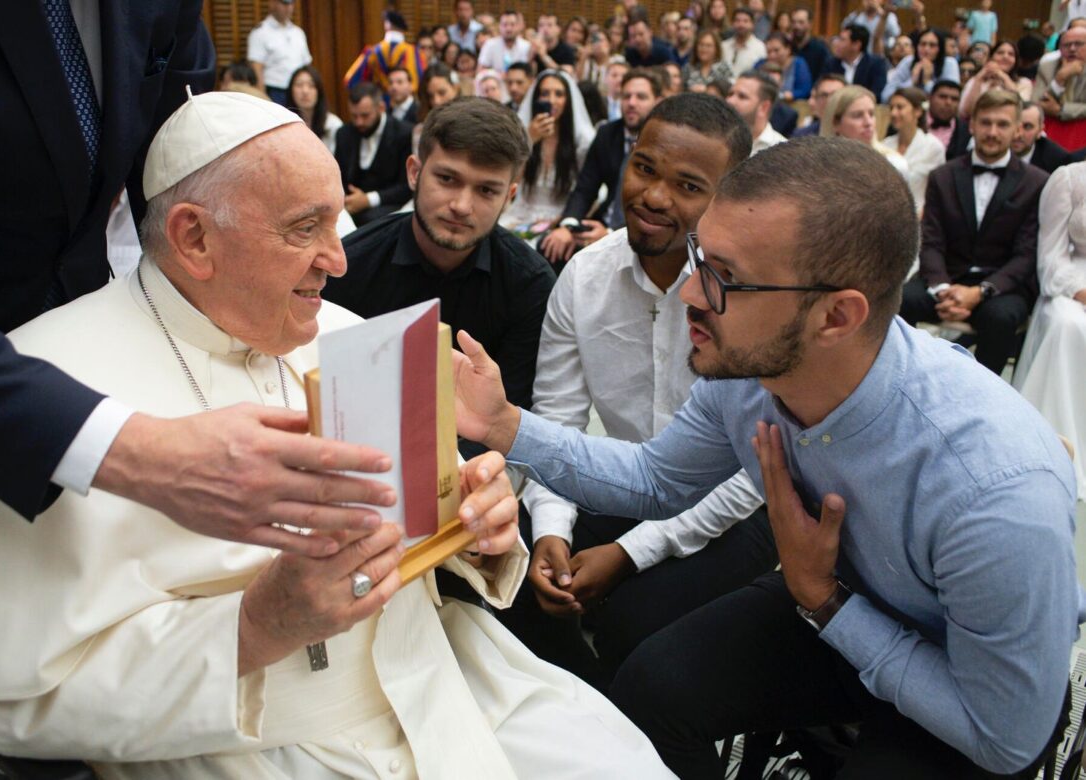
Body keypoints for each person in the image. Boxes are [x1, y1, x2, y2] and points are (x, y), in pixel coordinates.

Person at [0, 91, 673, 780]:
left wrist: (480, 532)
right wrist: (256, 626)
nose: (339, 260)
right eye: (304, 229)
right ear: (194, 237)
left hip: (446, 681)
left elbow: (435, 533)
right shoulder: (44, 396)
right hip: (244, 743)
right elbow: (12, 710)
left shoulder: (351, 335)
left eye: (336, 224)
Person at [452, 135, 1079, 780]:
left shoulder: (992, 490)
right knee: (648, 689)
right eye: (700, 258)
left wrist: (828, 603)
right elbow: (655, 479)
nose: (691, 294)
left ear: (836, 316)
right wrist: (503, 424)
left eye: (726, 278)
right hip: (841, 599)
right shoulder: (753, 375)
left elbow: (1004, 737)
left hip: (963, 679)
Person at [497, 93, 776, 691]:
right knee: (508, 568)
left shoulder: (746, 296)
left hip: (737, 510)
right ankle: (584, 716)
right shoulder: (584, 275)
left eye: (688, 186)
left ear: (728, 198)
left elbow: (750, 476)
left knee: (634, 626)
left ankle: (629, 721)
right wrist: (551, 531)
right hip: (617, 483)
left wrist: (630, 554)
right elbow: (559, 422)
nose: (653, 196)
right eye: (644, 168)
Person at [325, 98, 557, 451]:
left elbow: (512, 415)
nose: (461, 206)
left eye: (486, 190)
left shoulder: (530, 284)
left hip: (477, 466)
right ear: (414, 173)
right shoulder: (349, 266)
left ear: (509, 196)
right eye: (447, 179)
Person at [901, 89, 1049, 375]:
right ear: (972, 125)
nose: (992, 132)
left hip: (1001, 287)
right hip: (947, 277)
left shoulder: (1036, 182)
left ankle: (984, 392)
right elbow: (931, 241)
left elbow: (1026, 255)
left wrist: (979, 293)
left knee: (1001, 317)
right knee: (902, 299)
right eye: (985, 122)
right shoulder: (943, 176)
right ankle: (906, 380)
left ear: (1017, 128)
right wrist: (943, 289)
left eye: (1002, 124)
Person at [1013, 161, 1086, 500]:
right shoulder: (1068, 178)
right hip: (1068, 283)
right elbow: (1050, 258)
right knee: (1068, 324)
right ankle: (1058, 445)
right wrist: (1080, 291)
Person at [541, 69, 664, 265]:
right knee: (550, 247)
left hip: (640, 234)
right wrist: (569, 224)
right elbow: (585, 188)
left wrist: (610, 234)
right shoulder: (607, 133)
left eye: (640, 97)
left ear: (657, 101)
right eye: (626, 96)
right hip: (600, 222)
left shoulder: (663, 142)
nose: (631, 103)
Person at [502, 70, 596, 231]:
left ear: (568, 100)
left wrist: (565, 220)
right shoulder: (523, 133)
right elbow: (510, 181)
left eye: (559, 94)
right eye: (545, 94)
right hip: (521, 215)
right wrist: (529, 140)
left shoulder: (582, 140)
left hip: (561, 219)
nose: (552, 101)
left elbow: (588, 189)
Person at [333, 83, 414, 227]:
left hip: (388, 206)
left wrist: (368, 200)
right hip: (350, 205)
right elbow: (338, 177)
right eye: (354, 116)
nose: (359, 122)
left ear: (381, 108)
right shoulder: (344, 134)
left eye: (365, 116)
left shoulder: (404, 133)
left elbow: (406, 187)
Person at [821, 85, 910, 180]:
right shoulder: (820, 167)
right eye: (857, 115)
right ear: (835, 123)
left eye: (871, 114)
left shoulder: (894, 165)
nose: (868, 122)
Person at [882, 87, 948, 213]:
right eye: (891, 108)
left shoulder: (933, 147)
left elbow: (940, 191)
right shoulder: (886, 144)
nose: (893, 113)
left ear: (917, 111)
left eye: (900, 107)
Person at [343, 11, 426, 98]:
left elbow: (351, 81)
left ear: (387, 25)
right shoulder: (414, 52)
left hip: (379, 101)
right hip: (406, 101)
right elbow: (421, 82)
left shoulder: (371, 52)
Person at [247, 0, 312, 106]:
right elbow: (256, 68)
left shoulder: (298, 32)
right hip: (275, 92)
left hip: (299, 92)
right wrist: (263, 99)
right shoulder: (260, 32)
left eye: (291, 3)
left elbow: (306, 66)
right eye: (284, 3)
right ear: (272, 3)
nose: (288, 8)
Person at [1034, 25, 1086, 144]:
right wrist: (1060, 78)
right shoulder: (1047, 66)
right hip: (1049, 130)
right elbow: (1037, 102)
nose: (1072, 49)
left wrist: (1060, 110)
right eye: (1066, 45)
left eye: (1078, 44)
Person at [959, 39, 1034, 119]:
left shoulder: (1024, 83)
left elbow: (1022, 108)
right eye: (1000, 53)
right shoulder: (976, 80)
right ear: (991, 57)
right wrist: (979, 78)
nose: (1005, 57)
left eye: (1011, 54)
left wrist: (1002, 76)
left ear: (1015, 60)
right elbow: (966, 111)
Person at [882, 27, 961, 102]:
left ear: (940, 49)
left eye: (932, 45)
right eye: (923, 44)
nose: (926, 49)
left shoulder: (950, 64)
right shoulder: (908, 62)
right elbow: (886, 96)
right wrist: (912, 81)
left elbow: (949, 99)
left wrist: (927, 82)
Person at [287, 65, 344, 154]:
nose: (305, 91)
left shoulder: (333, 124)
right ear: (291, 90)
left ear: (319, 91)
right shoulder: (285, 124)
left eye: (311, 85)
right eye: (299, 85)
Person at [726, 70, 787, 155]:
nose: (730, 101)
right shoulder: (718, 137)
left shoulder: (781, 151)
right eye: (730, 94)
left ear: (764, 107)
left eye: (742, 96)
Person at [824, 24, 889, 101]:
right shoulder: (831, 63)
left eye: (842, 40)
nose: (837, 44)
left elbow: (876, 94)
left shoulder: (875, 65)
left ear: (856, 45)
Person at [1014, 100, 1075, 172]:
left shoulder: (1058, 161)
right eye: (1014, 125)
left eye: (1027, 127)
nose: (1018, 134)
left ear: (1040, 131)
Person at [761, 32, 812, 100]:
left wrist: (791, 95)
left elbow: (805, 90)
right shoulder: (761, 64)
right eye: (769, 51)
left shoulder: (798, 64)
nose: (772, 55)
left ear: (788, 49)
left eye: (776, 50)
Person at [790, 5, 831, 82]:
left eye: (801, 22)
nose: (796, 26)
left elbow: (825, 75)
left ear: (810, 24)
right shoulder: (787, 47)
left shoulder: (820, 49)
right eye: (793, 22)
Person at [722, 8, 769, 77]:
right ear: (732, 24)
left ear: (753, 24)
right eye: (737, 21)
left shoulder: (760, 48)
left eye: (745, 21)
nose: (741, 24)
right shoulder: (723, 46)